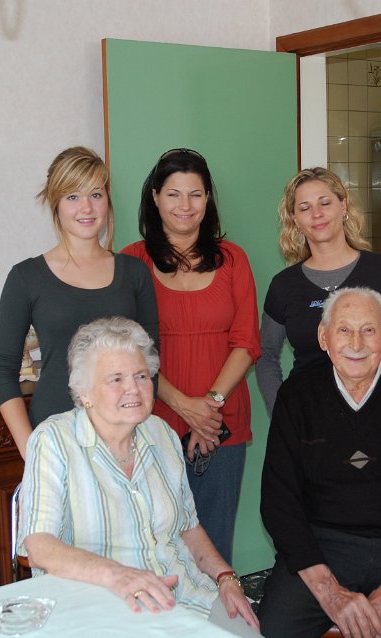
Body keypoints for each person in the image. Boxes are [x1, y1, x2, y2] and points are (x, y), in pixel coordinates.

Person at [17, 318, 259, 636]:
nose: (133, 389)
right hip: (102, 608)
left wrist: (225, 577)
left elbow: (189, 527)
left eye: (141, 376)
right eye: (116, 379)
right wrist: (118, 575)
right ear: (85, 392)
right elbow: (39, 547)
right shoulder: (54, 441)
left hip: (186, 594)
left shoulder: (161, 433)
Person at [258, 287, 381, 638]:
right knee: (273, 629)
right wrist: (329, 593)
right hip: (322, 546)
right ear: (324, 337)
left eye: (369, 330)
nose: (356, 343)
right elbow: (279, 502)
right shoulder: (296, 396)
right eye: (344, 330)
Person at [122, 148, 260, 564]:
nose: (185, 205)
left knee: (214, 550)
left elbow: (247, 342)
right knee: (155, 550)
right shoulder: (130, 261)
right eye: (173, 194)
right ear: (154, 197)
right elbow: (128, 352)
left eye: (195, 194)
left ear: (207, 199)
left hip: (222, 424)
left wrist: (209, 408)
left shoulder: (233, 259)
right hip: (151, 423)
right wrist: (185, 406)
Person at [0, 146, 159, 459]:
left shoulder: (135, 273)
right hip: (54, 438)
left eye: (96, 194)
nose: (87, 207)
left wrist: (130, 430)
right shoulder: (26, 277)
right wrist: (31, 448)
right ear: (55, 203)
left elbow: (150, 365)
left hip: (125, 440)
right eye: (72, 196)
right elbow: (3, 370)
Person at [255, 167, 381, 414]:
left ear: (343, 205)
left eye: (325, 203)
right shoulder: (284, 285)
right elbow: (265, 356)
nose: (316, 214)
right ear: (294, 219)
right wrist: (283, 414)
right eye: (305, 208)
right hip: (309, 418)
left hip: (380, 413)